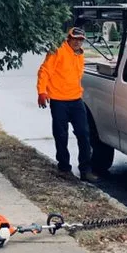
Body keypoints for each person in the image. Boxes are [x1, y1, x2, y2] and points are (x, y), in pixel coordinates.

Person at [37, 22, 98, 182]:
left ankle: (85, 170)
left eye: (80, 40)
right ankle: (64, 168)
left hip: (76, 100)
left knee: (84, 134)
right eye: (74, 39)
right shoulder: (58, 50)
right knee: (61, 135)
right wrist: (42, 91)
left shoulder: (80, 54)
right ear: (68, 38)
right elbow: (44, 71)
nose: (77, 42)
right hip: (58, 100)